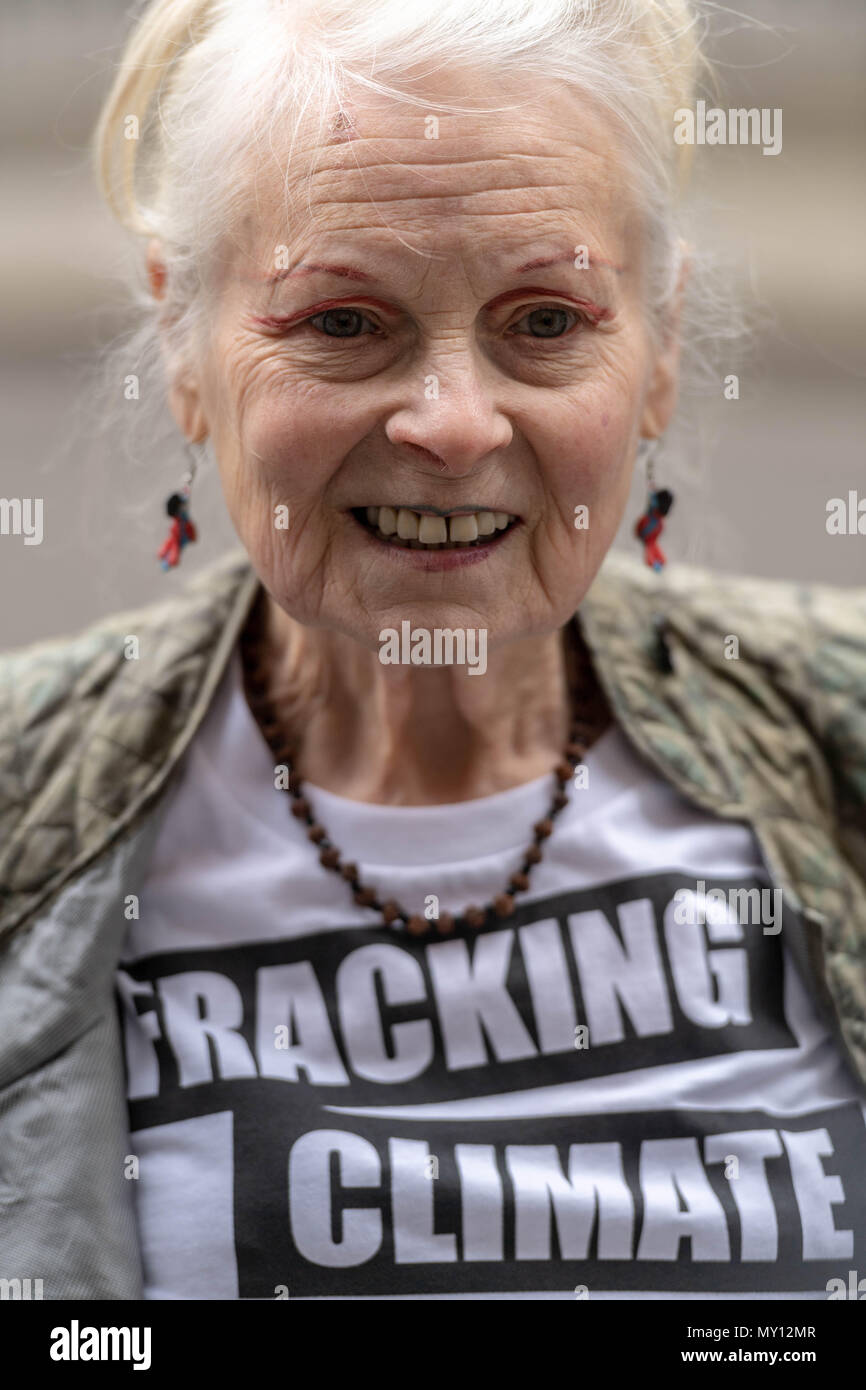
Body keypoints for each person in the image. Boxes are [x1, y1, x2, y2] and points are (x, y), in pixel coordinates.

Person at [1, 0, 864, 1302]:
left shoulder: (834, 729)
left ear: (662, 345)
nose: (453, 424)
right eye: (343, 323)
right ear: (183, 340)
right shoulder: (25, 794)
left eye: (545, 321)